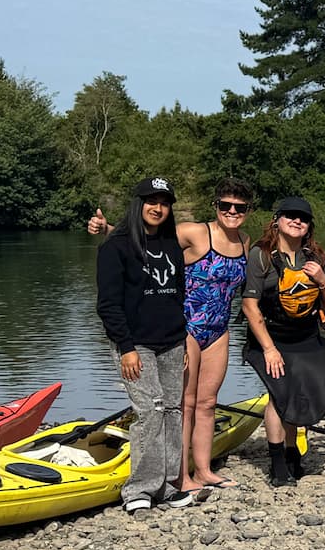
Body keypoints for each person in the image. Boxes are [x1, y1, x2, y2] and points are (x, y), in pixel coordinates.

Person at [88, 177, 253, 492]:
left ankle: (203, 470)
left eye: (240, 207)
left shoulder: (245, 242)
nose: (232, 211)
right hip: (185, 325)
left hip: (218, 329)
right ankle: (180, 475)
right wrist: (106, 229)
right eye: (226, 205)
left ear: (247, 211)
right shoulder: (194, 232)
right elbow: (145, 244)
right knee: (184, 403)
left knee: (207, 402)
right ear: (216, 206)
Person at [94, 177, 196, 512]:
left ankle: (167, 486)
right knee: (149, 412)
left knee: (172, 411)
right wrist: (126, 347)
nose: (158, 208)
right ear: (138, 204)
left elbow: (177, 295)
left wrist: (181, 339)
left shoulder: (170, 246)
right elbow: (108, 305)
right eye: (151, 201)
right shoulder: (116, 246)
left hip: (171, 342)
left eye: (164, 203)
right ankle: (138, 491)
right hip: (135, 345)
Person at [241, 196, 325, 487]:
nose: (297, 221)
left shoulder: (316, 256)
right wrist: (269, 349)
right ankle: (277, 464)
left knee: (302, 392)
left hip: (306, 336)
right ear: (277, 221)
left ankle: (291, 450)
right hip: (271, 337)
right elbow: (250, 306)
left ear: (309, 226)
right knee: (278, 394)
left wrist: (322, 279)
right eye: (290, 216)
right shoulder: (261, 255)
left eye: (303, 218)